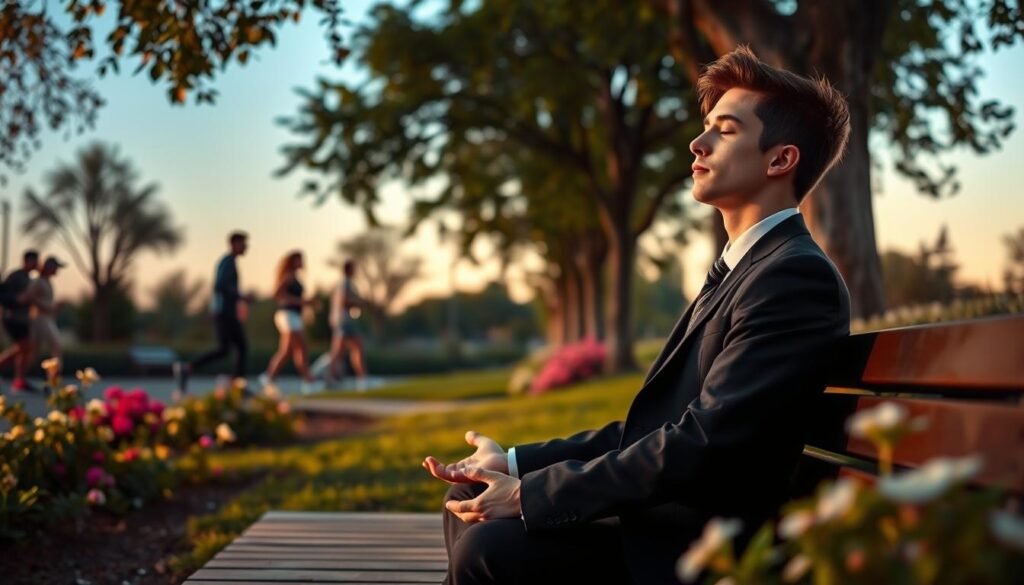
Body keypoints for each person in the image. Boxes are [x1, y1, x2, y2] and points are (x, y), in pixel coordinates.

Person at [423, 46, 854, 585]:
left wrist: (532, 495)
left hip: (696, 550)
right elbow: (648, 429)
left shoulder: (793, 278)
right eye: (706, 128)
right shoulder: (749, 268)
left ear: (779, 160)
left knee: (489, 546)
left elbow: (707, 442)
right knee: (465, 494)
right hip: (655, 521)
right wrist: (512, 465)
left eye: (725, 130)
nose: (697, 143)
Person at [174, 231, 255, 398]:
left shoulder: (230, 262)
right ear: (234, 243)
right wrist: (241, 297)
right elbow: (220, 285)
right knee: (236, 347)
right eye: (243, 243)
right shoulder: (227, 263)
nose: (246, 247)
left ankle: (235, 384)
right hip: (224, 313)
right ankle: (236, 385)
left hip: (227, 312)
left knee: (231, 348)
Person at [260, 250, 319, 394]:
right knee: (301, 347)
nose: (301, 262)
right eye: (298, 260)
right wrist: (302, 301)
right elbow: (277, 293)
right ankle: (309, 381)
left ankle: (270, 376)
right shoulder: (288, 276)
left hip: (293, 316)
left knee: (287, 351)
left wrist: (305, 304)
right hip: (287, 315)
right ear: (292, 262)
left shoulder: (295, 277)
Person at [312, 260, 368, 389]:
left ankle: (362, 379)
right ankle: (331, 378)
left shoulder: (344, 284)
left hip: (344, 321)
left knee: (353, 348)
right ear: (350, 269)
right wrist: (360, 303)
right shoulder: (345, 283)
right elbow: (344, 301)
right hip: (344, 321)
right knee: (340, 351)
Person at [0, 250, 41, 392]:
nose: (36, 264)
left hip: (24, 319)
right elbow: (3, 294)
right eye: (34, 261)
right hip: (12, 318)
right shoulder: (15, 276)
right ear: (26, 261)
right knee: (23, 347)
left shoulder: (30, 279)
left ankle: (19, 380)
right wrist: (17, 299)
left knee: (24, 349)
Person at [25, 256, 65, 375]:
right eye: (56, 267)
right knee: (56, 346)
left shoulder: (47, 281)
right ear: (49, 267)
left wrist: (54, 307)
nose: (57, 270)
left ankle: (20, 376)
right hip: (40, 319)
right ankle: (54, 376)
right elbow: (29, 297)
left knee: (35, 352)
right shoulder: (39, 281)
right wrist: (46, 306)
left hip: (47, 318)